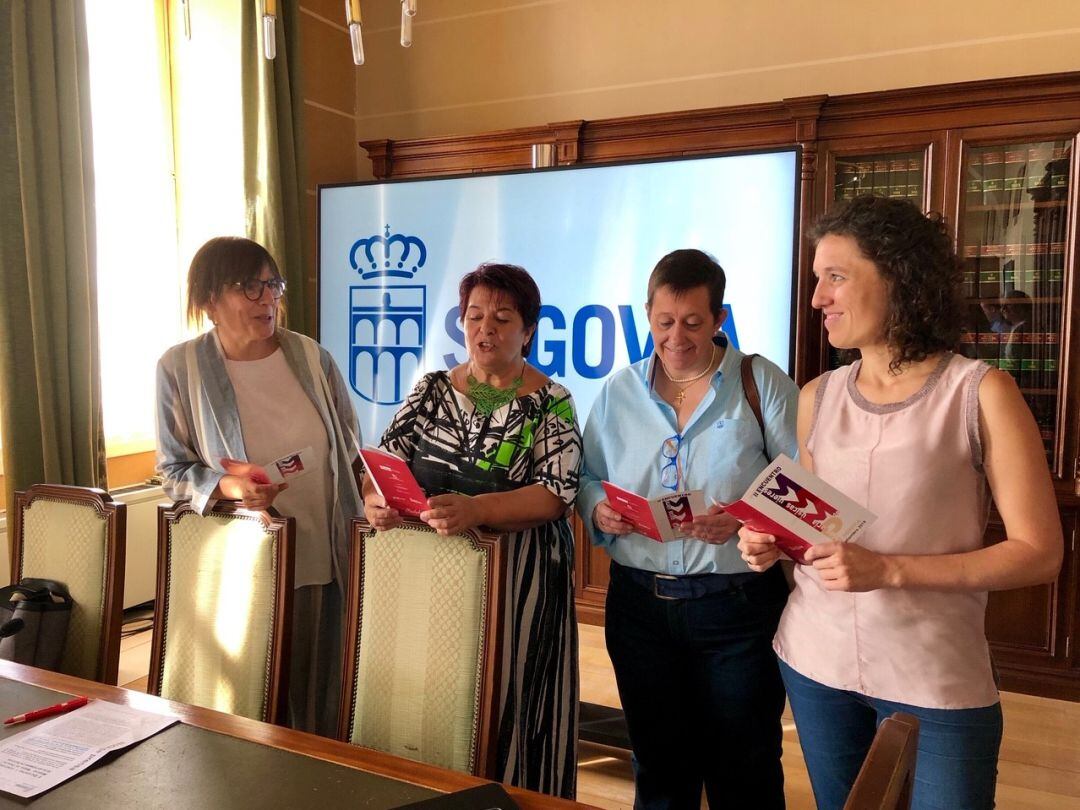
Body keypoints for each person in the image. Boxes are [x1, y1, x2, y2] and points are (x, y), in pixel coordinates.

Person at [739, 196, 1064, 810]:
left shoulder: (981, 392)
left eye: (836, 277)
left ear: (899, 278)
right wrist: (771, 540)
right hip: (814, 663)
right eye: (817, 280)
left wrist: (889, 569)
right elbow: (815, 524)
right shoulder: (817, 395)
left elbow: (1039, 553)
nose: (818, 299)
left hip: (936, 677)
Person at [577, 248, 798, 810]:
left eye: (694, 323)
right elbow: (588, 476)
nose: (677, 337)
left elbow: (802, 487)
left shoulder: (760, 382)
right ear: (647, 315)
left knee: (743, 764)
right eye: (664, 322)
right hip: (639, 609)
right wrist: (599, 507)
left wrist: (745, 518)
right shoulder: (619, 390)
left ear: (719, 318)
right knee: (658, 763)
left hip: (738, 610)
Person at [363, 262, 582, 799]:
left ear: (528, 330)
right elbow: (380, 465)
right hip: (429, 581)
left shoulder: (551, 401)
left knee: (508, 705)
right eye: (475, 315)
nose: (486, 328)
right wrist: (377, 503)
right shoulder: (432, 389)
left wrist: (478, 509)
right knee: (437, 706)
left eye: (503, 318)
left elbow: (556, 494)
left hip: (520, 589)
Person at [156, 236, 363, 737]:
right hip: (241, 561)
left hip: (324, 550)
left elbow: (354, 452)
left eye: (273, 285)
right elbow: (173, 470)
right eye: (250, 287)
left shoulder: (313, 358)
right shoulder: (179, 369)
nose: (267, 299)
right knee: (248, 701)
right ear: (209, 300)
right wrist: (230, 486)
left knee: (320, 696)